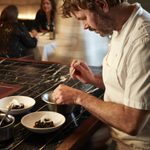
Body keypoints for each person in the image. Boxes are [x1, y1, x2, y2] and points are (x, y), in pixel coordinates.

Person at [52, 0, 150, 150]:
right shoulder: (121, 26)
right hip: (116, 136)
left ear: (102, 5)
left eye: (84, 18)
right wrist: (92, 79)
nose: (84, 26)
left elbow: (131, 122)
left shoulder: (143, 39)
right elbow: (126, 83)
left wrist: (78, 97)